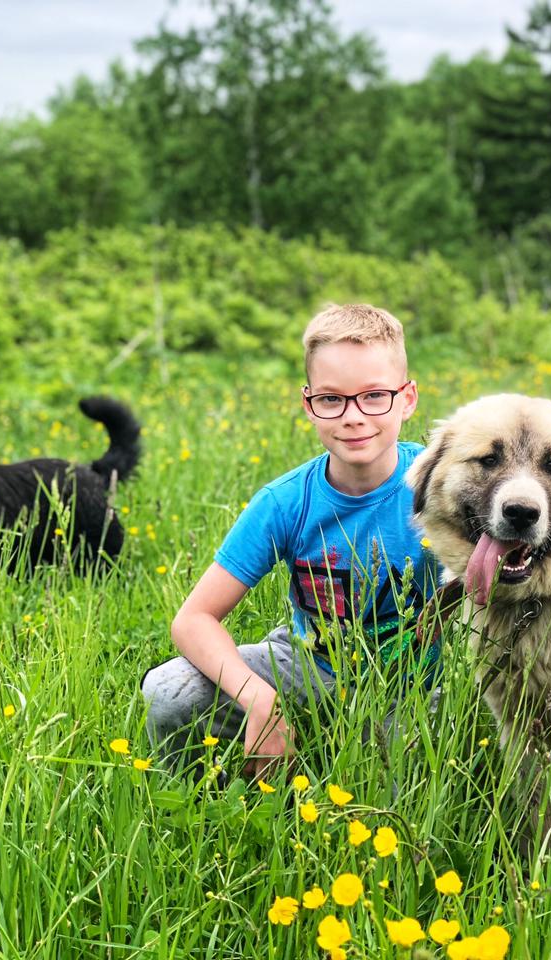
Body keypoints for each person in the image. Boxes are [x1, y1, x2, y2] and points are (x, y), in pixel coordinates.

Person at [141, 303, 442, 776]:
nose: (353, 417)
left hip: (419, 689)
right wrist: (259, 699)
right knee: (169, 688)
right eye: (332, 399)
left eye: (374, 396)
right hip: (310, 671)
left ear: (407, 398)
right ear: (309, 405)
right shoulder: (287, 502)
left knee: (398, 771)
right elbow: (194, 619)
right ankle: (202, 811)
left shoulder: (443, 483)